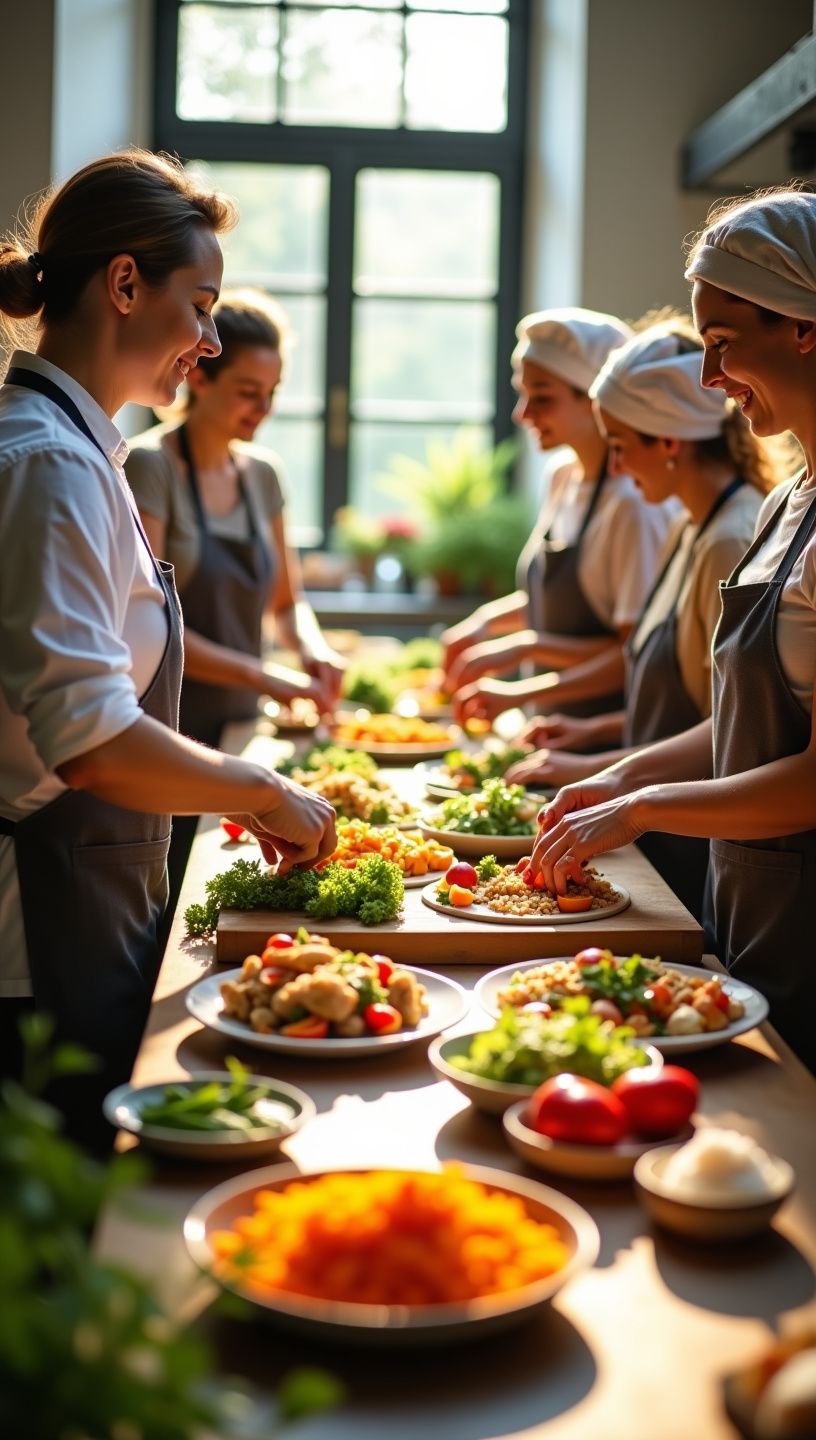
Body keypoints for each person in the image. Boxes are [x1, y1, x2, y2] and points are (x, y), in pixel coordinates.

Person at [0, 150, 336, 1149]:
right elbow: (92, 739)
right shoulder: (50, 464)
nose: (205, 338)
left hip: (89, 894)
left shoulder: (81, 449)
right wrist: (261, 789)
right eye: (201, 305)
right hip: (35, 925)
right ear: (125, 284)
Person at [529, 187, 816, 1070]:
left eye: (724, 345)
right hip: (753, 906)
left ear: (804, 325)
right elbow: (733, 722)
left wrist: (643, 806)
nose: (711, 379)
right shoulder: (785, 504)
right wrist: (618, 777)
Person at [506, 316, 782, 920]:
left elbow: (732, 728)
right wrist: (596, 750)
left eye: (622, 445)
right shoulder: (690, 525)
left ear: (668, 440)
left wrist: (620, 782)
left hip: (693, 845)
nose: (619, 466)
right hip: (657, 831)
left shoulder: (728, 537)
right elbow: (681, 697)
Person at [125, 290, 344, 904]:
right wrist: (269, 676)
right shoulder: (151, 466)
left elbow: (286, 602)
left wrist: (312, 651)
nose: (264, 409)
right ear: (199, 375)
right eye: (249, 391)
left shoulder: (263, 474)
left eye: (272, 393)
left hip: (244, 729)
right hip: (168, 729)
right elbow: (155, 622)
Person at [443, 308, 678, 727]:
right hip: (550, 730)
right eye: (522, 393)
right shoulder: (562, 477)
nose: (522, 413)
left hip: (602, 741)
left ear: (595, 401)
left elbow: (634, 654)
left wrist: (523, 652)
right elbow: (554, 603)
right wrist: (483, 624)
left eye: (543, 397)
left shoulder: (633, 505)